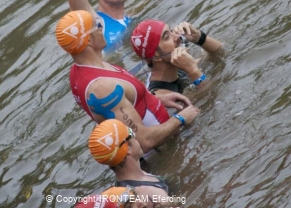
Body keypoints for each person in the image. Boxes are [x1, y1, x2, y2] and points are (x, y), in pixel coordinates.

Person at [56, 10, 199, 152]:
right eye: (98, 26)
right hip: (166, 152)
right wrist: (180, 119)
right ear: (88, 41)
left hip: (169, 140)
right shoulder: (101, 88)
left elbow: (124, 105)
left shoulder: (81, 70)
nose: (102, 28)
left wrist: (155, 99)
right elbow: (143, 141)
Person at [88, 119, 183, 208]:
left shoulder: (120, 189)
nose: (135, 136)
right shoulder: (152, 195)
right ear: (127, 149)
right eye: (131, 133)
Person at [130, 20, 224, 95]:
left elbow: (220, 54)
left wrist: (199, 38)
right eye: (167, 37)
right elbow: (211, 95)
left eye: (171, 31)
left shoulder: (175, 66)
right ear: (156, 56)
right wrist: (193, 71)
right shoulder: (162, 97)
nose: (177, 36)